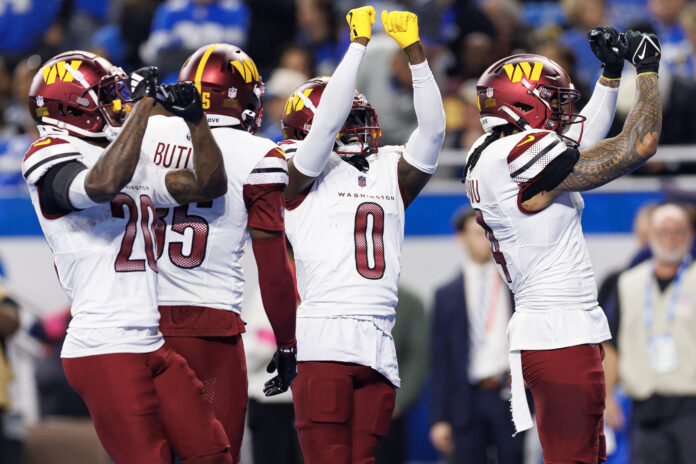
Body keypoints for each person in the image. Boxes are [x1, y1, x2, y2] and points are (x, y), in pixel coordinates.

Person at [462, 27, 662, 463]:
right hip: (559, 337)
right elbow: (637, 145)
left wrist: (611, 73)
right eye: (552, 100)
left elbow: (580, 138)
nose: (561, 110)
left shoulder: (492, 150)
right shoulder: (514, 154)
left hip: (558, 331)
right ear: (522, 104)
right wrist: (646, 72)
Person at [21, 51, 232, 463]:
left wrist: (195, 120)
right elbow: (101, 184)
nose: (118, 103)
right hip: (102, 345)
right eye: (107, 95)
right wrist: (141, 112)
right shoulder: (47, 153)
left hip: (151, 338)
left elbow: (210, 185)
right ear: (72, 105)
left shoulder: (125, 151)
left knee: (213, 453)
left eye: (120, 95)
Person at [280, 7, 446, 463]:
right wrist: (356, 46)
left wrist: (415, 55)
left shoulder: (389, 168)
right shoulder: (296, 174)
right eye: (347, 120)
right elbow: (323, 128)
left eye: (359, 118)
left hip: (379, 336)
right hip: (324, 337)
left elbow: (433, 130)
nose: (356, 128)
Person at [141, 42, 298, 462]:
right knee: (216, 455)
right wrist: (286, 342)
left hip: (137, 322)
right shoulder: (258, 154)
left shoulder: (145, 134)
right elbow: (274, 267)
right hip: (209, 328)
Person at [604, 203, 696, 464]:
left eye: (679, 231)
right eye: (664, 231)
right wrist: (608, 396)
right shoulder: (626, 283)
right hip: (645, 407)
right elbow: (612, 346)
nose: (671, 238)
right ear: (650, 236)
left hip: (691, 404)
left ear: (690, 235)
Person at [429, 209, 520, 464]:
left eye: (489, 234)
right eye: (478, 234)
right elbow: (440, 360)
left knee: (514, 457)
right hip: (466, 399)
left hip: (508, 394)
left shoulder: (516, 288)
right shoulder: (446, 295)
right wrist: (440, 418)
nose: (486, 240)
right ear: (461, 238)